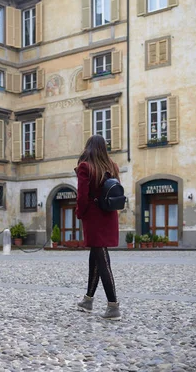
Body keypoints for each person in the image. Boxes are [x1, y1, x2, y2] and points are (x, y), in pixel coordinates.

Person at [75, 135, 121, 321]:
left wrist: (80, 213)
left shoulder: (86, 167)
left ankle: (113, 306)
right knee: (96, 256)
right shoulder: (113, 166)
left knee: (102, 260)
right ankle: (88, 300)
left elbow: (82, 196)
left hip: (94, 216)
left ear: (88, 147)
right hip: (109, 215)